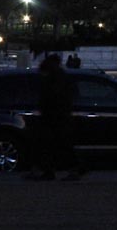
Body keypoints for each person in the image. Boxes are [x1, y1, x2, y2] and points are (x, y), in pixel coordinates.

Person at [28, 53, 83, 181]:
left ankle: (50, 170)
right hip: (58, 116)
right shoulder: (60, 77)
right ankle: (64, 169)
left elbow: (51, 97)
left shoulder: (54, 78)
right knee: (57, 146)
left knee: (51, 145)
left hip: (54, 117)